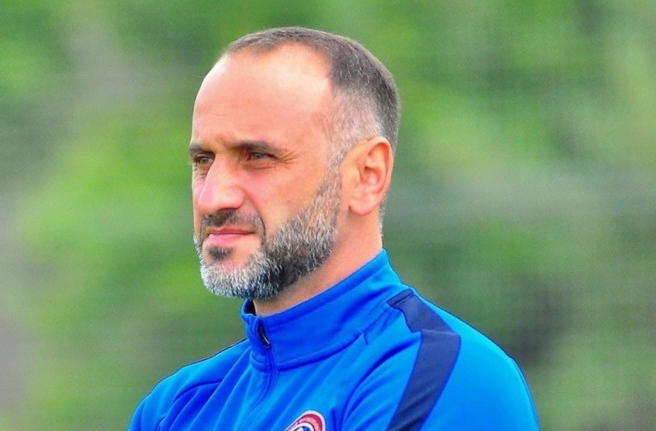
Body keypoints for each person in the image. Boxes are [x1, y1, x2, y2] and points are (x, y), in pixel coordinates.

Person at [129, 27, 539, 430]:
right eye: (203, 160)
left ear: (366, 175)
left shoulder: (446, 378)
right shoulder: (174, 409)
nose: (213, 197)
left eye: (257, 156)